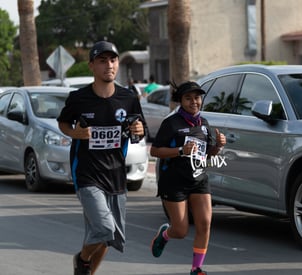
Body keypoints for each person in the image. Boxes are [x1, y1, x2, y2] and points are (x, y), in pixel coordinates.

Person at [57, 41, 146, 275]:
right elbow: (63, 122)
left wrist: (139, 130)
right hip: (87, 174)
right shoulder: (79, 98)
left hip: (116, 175)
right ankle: (82, 258)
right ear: (92, 66)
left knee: (107, 238)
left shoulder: (129, 98)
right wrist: (75, 133)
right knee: (105, 228)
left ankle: (85, 270)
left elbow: (139, 126)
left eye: (113, 60)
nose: (109, 65)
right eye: (102, 60)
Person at [150, 81, 226, 275]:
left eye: (197, 97)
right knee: (181, 230)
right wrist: (180, 150)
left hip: (198, 179)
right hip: (173, 182)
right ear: (181, 101)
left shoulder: (204, 124)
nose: (194, 102)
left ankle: (196, 269)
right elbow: (155, 151)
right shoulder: (171, 123)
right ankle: (165, 235)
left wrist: (217, 147)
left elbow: (207, 154)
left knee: (204, 223)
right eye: (189, 98)